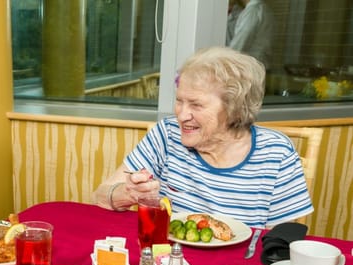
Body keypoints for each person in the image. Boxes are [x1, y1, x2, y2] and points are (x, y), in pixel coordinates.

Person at [92, 47, 313, 228]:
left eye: (196, 105)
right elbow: (99, 196)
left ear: (234, 109)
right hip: (170, 262)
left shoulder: (276, 152)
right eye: (179, 101)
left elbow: (282, 240)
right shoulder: (167, 134)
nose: (181, 114)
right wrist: (128, 193)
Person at [228, 0, 274, 69]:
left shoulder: (253, 11)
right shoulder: (262, 8)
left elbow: (240, 42)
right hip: (258, 65)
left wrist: (224, 59)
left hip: (253, 67)